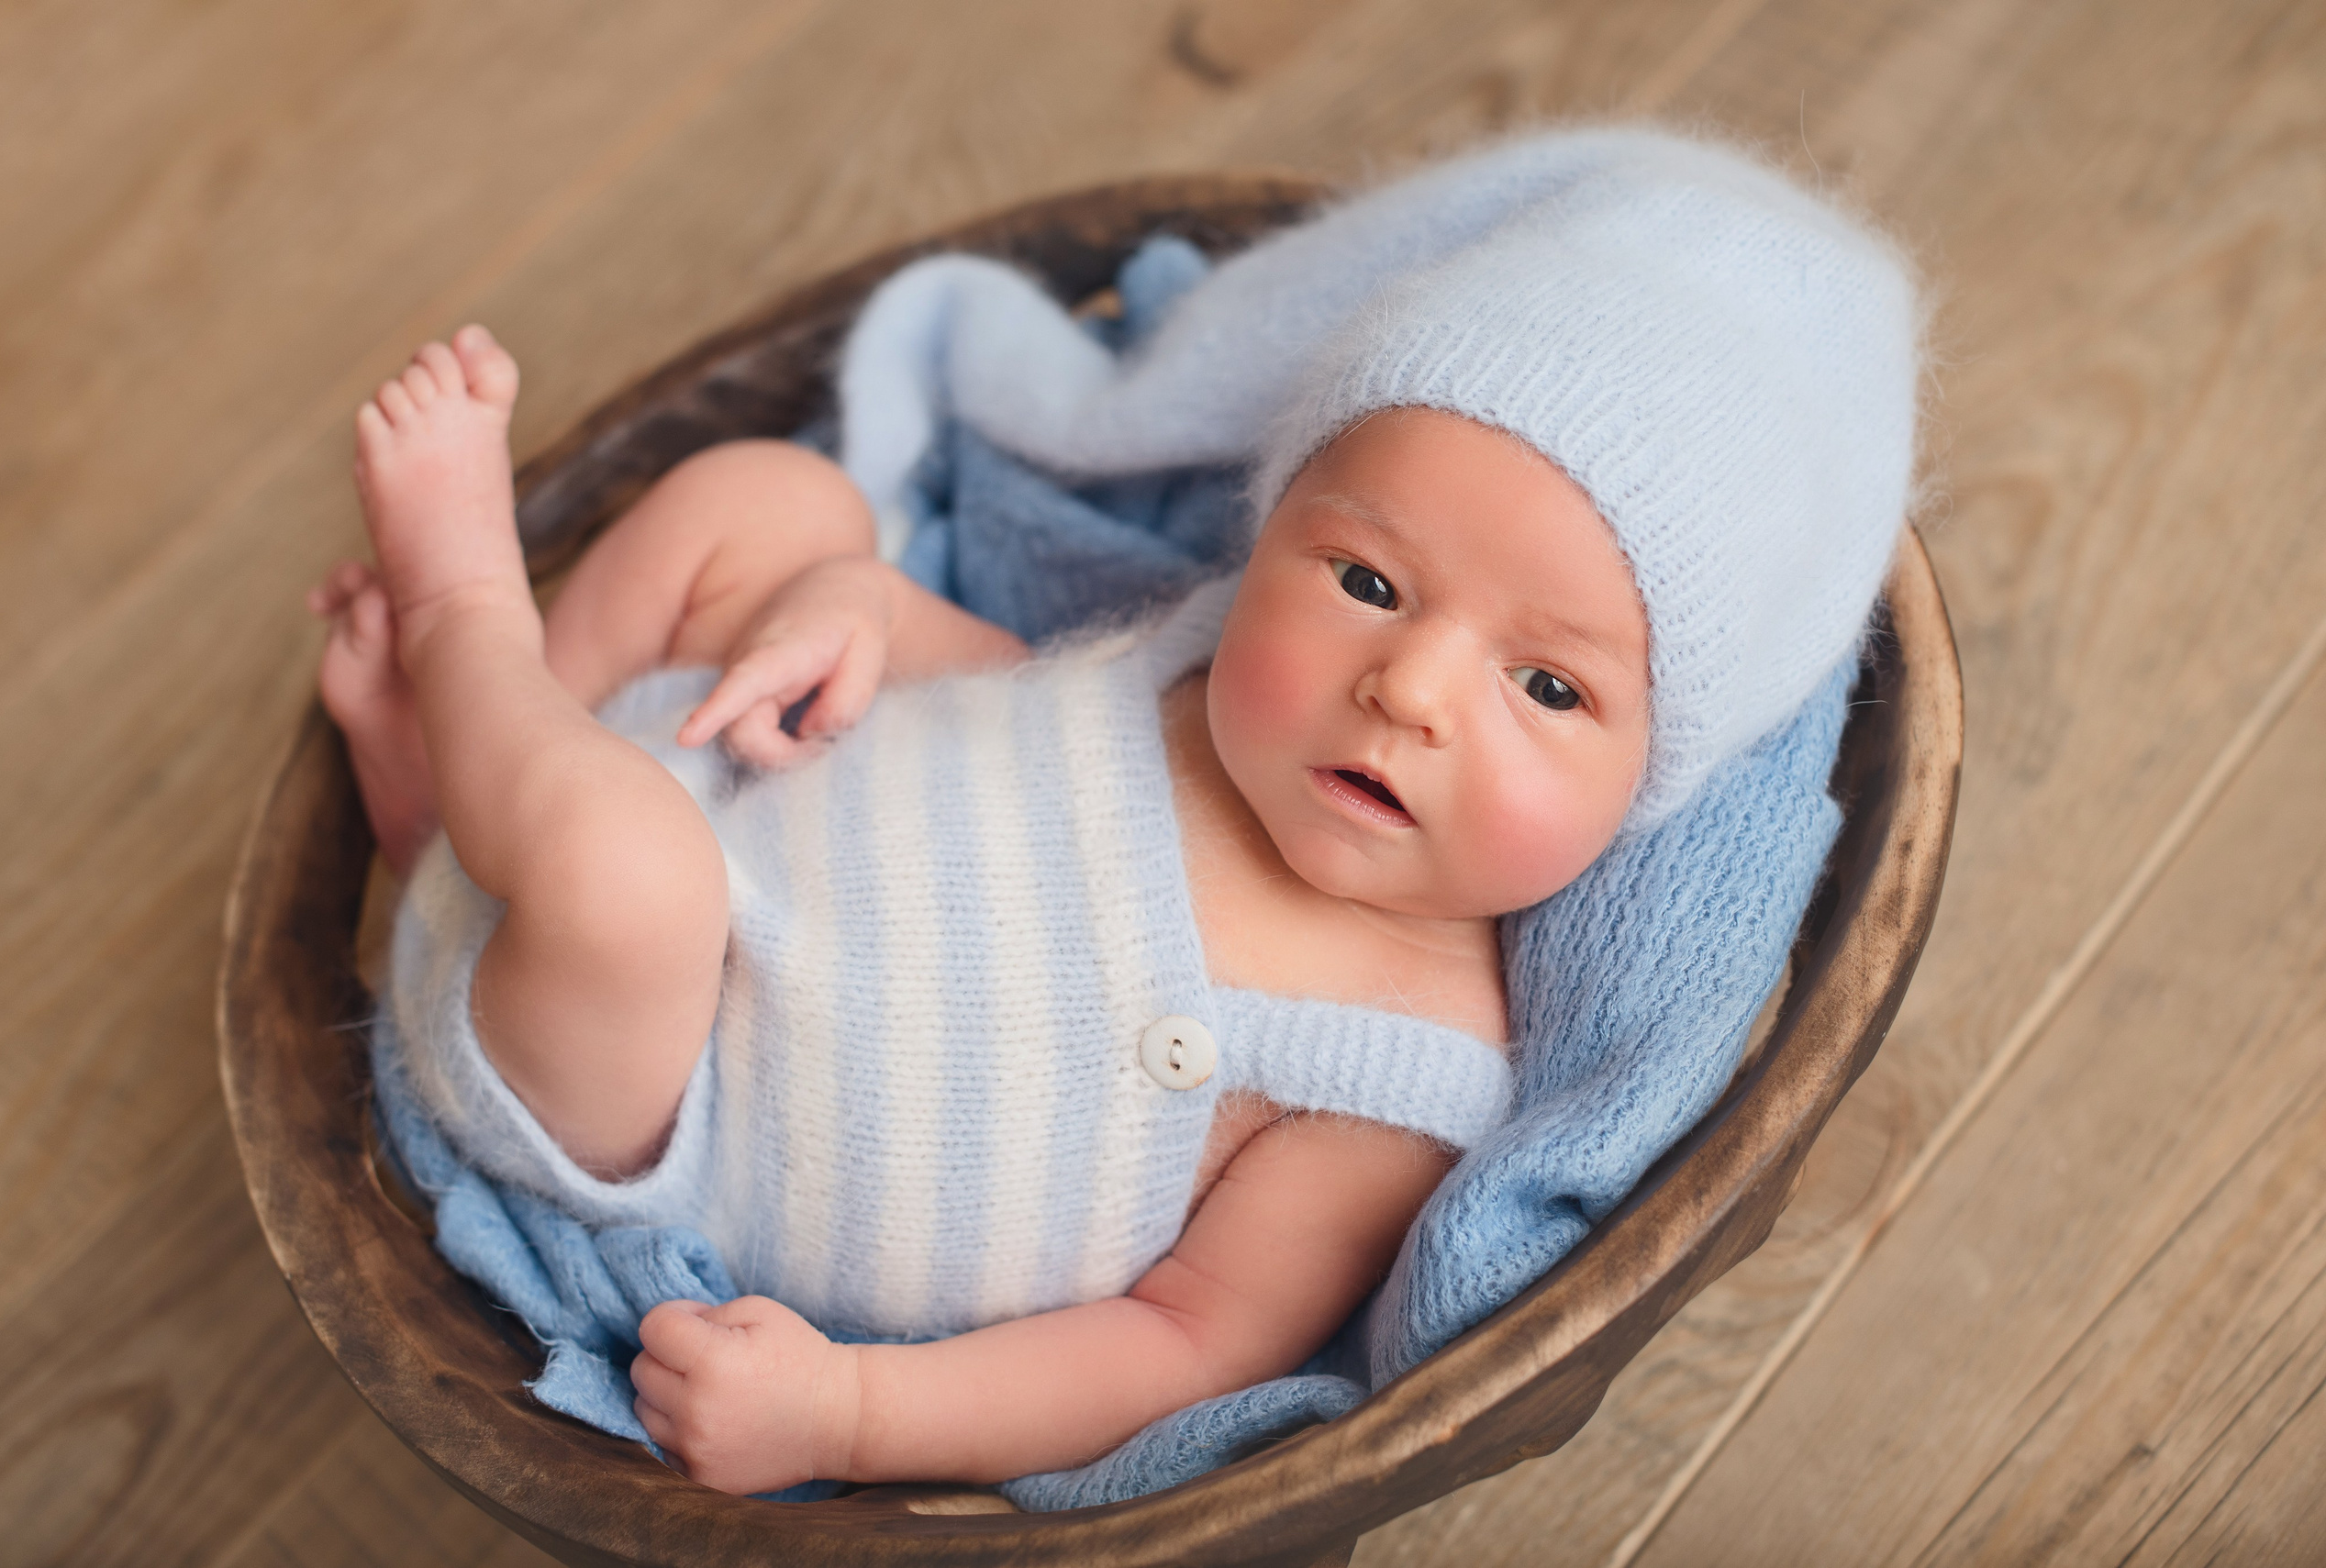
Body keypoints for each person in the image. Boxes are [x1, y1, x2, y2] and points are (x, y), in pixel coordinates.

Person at [318, 128, 1917, 1496]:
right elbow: (1004, 706)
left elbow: (1179, 1342)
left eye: (1548, 688)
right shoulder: (1187, 667)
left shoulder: (1404, 1066)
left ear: (1654, 784)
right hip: (687, 779)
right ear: (1273, 527)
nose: (1411, 688)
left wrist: (854, 1409)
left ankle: (468, 624)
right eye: (1366, 580)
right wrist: (861, 603)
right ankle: (455, 798)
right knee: (774, 504)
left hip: (646, 1100)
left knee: (625, 878)